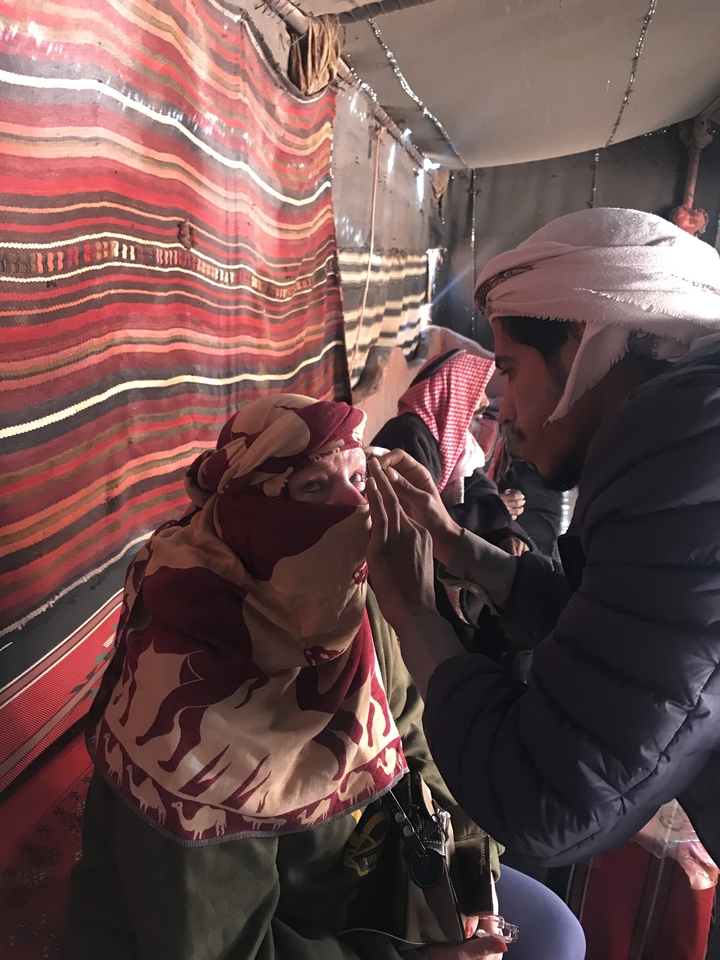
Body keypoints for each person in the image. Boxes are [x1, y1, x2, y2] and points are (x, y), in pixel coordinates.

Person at [61, 395, 584, 960]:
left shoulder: (346, 609)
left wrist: (470, 880)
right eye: (313, 486)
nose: (356, 506)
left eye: (359, 476)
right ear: (248, 513)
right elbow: (229, 946)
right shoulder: (185, 705)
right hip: (273, 931)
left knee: (556, 935)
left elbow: (416, 739)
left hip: (361, 886)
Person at [363, 207, 720, 873]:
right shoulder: (689, 438)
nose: (499, 406)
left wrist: (413, 611)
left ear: (585, 347)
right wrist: (453, 543)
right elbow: (622, 640)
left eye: (509, 366)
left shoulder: (686, 454)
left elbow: (542, 796)